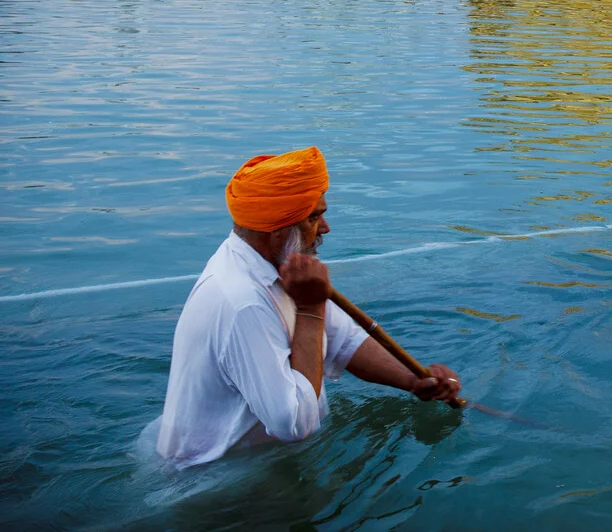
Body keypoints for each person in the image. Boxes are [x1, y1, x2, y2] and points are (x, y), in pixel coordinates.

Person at [153, 146, 461, 468]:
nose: (325, 228)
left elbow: (344, 341)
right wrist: (311, 308)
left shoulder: (275, 265)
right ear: (278, 229)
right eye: (314, 217)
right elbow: (295, 424)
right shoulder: (242, 301)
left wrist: (414, 380)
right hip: (217, 479)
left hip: (259, 464)